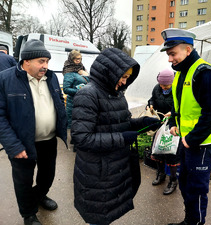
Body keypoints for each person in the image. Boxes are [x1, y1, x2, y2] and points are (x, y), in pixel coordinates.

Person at [71, 48, 160, 225]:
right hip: (97, 172)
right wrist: (121, 138)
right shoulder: (88, 94)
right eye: (123, 76)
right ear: (109, 72)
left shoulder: (116, 94)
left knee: (108, 213)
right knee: (99, 216)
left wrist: (142, 122)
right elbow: (81, 138)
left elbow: (122, 122)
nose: (124, 81)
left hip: (113, 167)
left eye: (127, 77)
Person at [160, 28, 211, 225]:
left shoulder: (204, 73)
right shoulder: (181, 73)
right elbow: (177, 104)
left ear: (188, 50)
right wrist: (173, 122)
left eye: (173, 54)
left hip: (202, 142)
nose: (170, 59)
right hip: (188, 140)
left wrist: (191, 139)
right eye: (169, 54)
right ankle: (190, 221)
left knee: (196, 188)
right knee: (185, 183)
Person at [0, 39, 67, 225]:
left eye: (47, 61)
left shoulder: (51, 77)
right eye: (41, 61)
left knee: (47, 176)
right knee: (23, 182)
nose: (45, 66)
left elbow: (59, 102)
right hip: (22, 143)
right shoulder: (5, 79)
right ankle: (28, 213)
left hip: (48, 140)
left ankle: (39, 196)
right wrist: (13, 146)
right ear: (26, 61)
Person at [147, 68, 180, 195]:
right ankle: (160, 174)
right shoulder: (157, 88)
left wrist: (173, 113)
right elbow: (152, 99)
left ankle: (173, 180)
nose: (163, 87)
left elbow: (182, 106)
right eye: (161, 84)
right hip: (160, 125)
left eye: (166, 85)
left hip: (173, 126)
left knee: (171, 153)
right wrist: (150, 105)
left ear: (172, 82)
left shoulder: (178, 90)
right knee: (158, 151)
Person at [63, 50, 89, 129]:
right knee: (73, 127)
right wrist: (80, 91)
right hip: (73, 104)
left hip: (83, 102)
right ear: (71, 59)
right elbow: (66, 89)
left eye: (80, 59)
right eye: (76, 59)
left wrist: (86, 74)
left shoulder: (82, 69)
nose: (78, 60)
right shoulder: (68, 71)